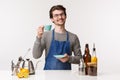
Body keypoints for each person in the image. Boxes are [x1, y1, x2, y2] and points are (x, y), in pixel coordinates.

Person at [32, 5, 82, 70]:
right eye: (56, 15)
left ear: (66, 16)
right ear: (52, 19)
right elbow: (36, 56)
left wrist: (69, 58)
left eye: (62, 14)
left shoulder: (73, 37)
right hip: (48, 76)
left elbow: (80, 59)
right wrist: (38, 37)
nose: (60, 17)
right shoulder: (46, 35)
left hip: (67, 77)